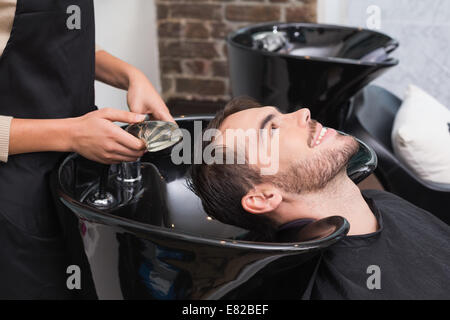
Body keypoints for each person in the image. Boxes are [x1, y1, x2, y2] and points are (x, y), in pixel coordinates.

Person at [189, 97, 450, 299]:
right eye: (272, 129)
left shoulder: (385, 202)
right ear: (264, 197)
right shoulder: (333, 289)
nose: (303, 113)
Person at [0, 0, 173, 298]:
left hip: (76, 175)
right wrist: (71, 133)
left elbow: (60, 44)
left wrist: (131, 76)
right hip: (15, 200)